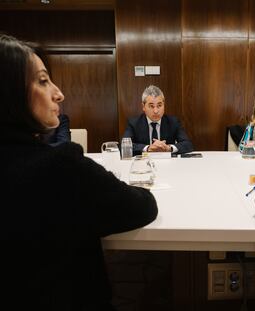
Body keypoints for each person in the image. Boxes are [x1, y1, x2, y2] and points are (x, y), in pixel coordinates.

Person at [0, 34, 158, 310]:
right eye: (42, 80)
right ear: (9, 93)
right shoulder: (61, 168)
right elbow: (143, 206)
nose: (58, 93)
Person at [123, 85, 193, 155]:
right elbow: (124, 146)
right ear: (143, 107)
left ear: (164, 105)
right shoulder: (134, 123)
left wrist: (169, 148)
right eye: (151, 106)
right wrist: (148, 148)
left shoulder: (173, 122)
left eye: (159, 105)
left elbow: (188, 144)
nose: (156, 111)